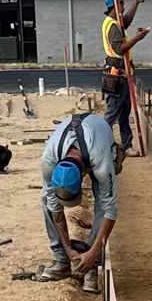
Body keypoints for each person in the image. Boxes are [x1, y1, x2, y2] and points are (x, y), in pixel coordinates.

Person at [38, 108, 118, 289]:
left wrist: (94, 251)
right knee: (46, 200)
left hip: (100, 137)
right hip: (75, 143)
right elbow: (55, 210)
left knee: (103, 204)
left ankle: (92, 264)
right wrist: (67, 249)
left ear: (83, 176)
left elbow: (111, 210)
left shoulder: (100, 163)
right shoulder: (49, 162)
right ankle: (61, 261)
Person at [101, 0, 147, 159]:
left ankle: (127, 145)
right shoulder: (111, 26)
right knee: (113, 113)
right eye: (121, 3)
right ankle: (100, 146)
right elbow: (119, 49)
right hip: (117, 75)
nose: (123, 7)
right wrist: (137, 38)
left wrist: (136, 3)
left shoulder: (116, 23)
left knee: (124, 112)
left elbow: (126, 21)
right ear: (115, 6)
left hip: (123, 75)